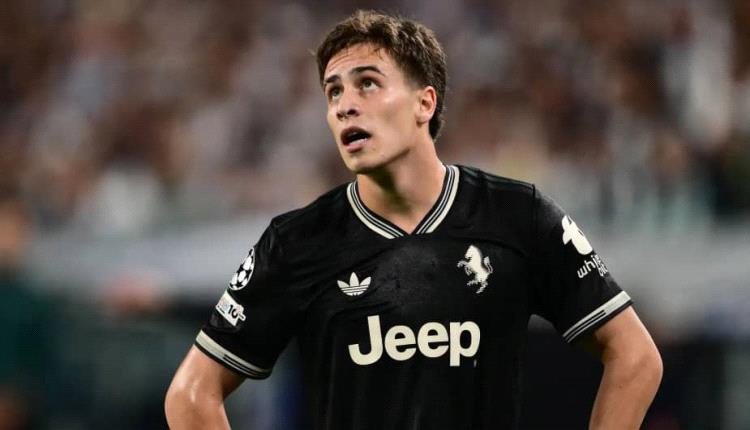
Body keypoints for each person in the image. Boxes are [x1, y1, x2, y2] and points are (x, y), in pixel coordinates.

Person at [165, 10, 662, 429]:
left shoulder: (516, 216)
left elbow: (636, 357)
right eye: (333, 92)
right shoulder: (297, 242)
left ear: (425, 102)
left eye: (367, 84)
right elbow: (191, 394)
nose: (345, 106)